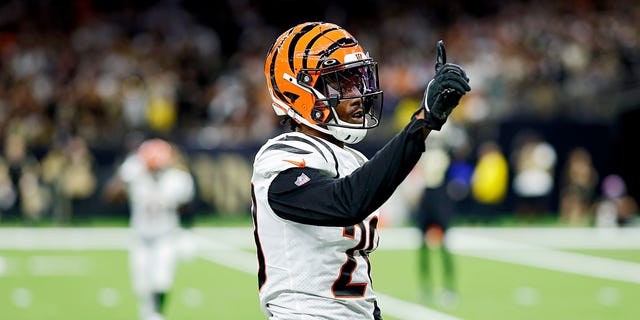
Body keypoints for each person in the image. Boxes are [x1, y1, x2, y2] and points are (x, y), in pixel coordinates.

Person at [250, 21, 470, 320]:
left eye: (357, 79)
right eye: (340, 82)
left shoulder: (351, 158)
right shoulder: (281, 158)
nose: (357, 93)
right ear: (298, 90)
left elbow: (355, 265)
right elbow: (345, 202)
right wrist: (423, 122)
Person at [105, 138, 196, 320]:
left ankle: (156, 315)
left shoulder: (177, 179)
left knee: (162, 281)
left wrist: (186, 232)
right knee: (141, 285)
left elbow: (187, 207)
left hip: (166, 237)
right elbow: (111, 196)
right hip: (140, 237)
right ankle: (148, 314)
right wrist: (123, 178)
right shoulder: (135, 174)